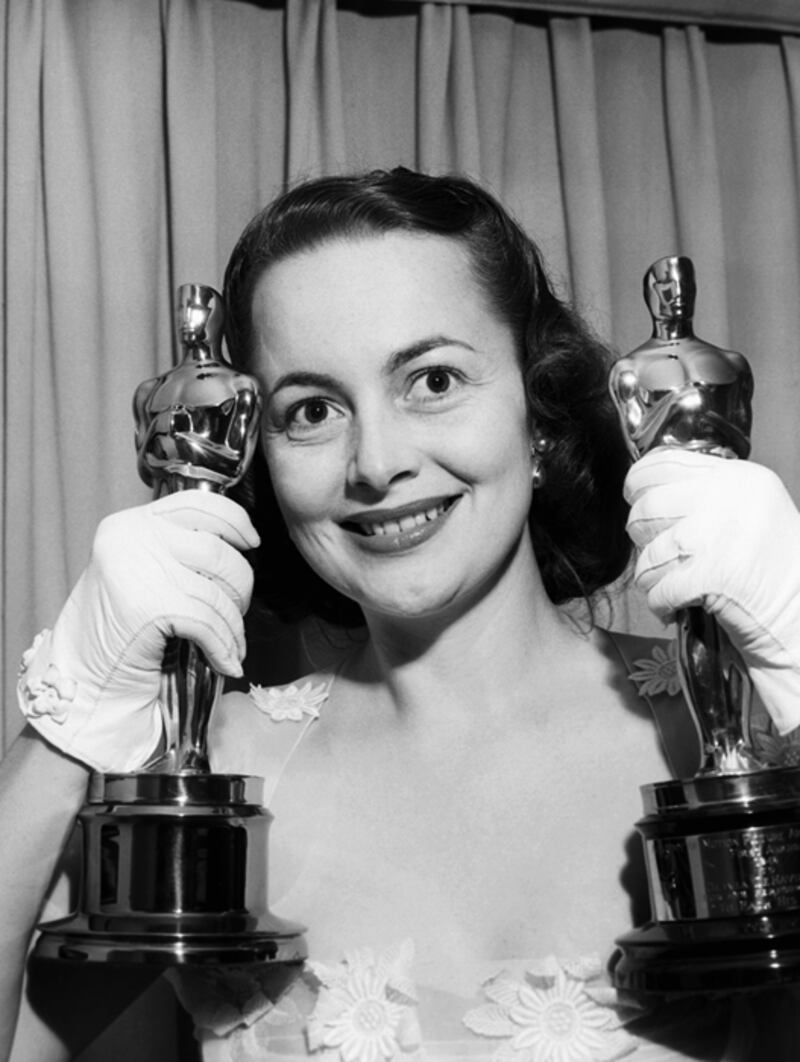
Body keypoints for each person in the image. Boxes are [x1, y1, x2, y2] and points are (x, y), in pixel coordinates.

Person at [3, 168, 800, 1062]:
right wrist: (66, 722)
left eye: (433, 379)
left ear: (538, 412)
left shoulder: (741, 737)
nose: (376, 463)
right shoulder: (208, 780)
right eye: (312, 410)